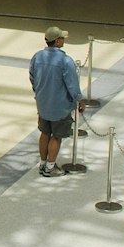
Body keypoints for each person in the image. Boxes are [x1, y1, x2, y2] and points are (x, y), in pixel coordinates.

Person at [28, 26, 84, 176]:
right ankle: (50, 167)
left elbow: (32, 77)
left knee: (44, 133)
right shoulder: (66, 61)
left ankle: (42, 163)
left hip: (43, 103)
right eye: (62, 38)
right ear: (57, 41)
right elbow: (72, 85)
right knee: (57, 136)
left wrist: (39, 92)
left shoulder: (37, 57)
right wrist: (80, 99)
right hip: (60, 107)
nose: (64, 39)